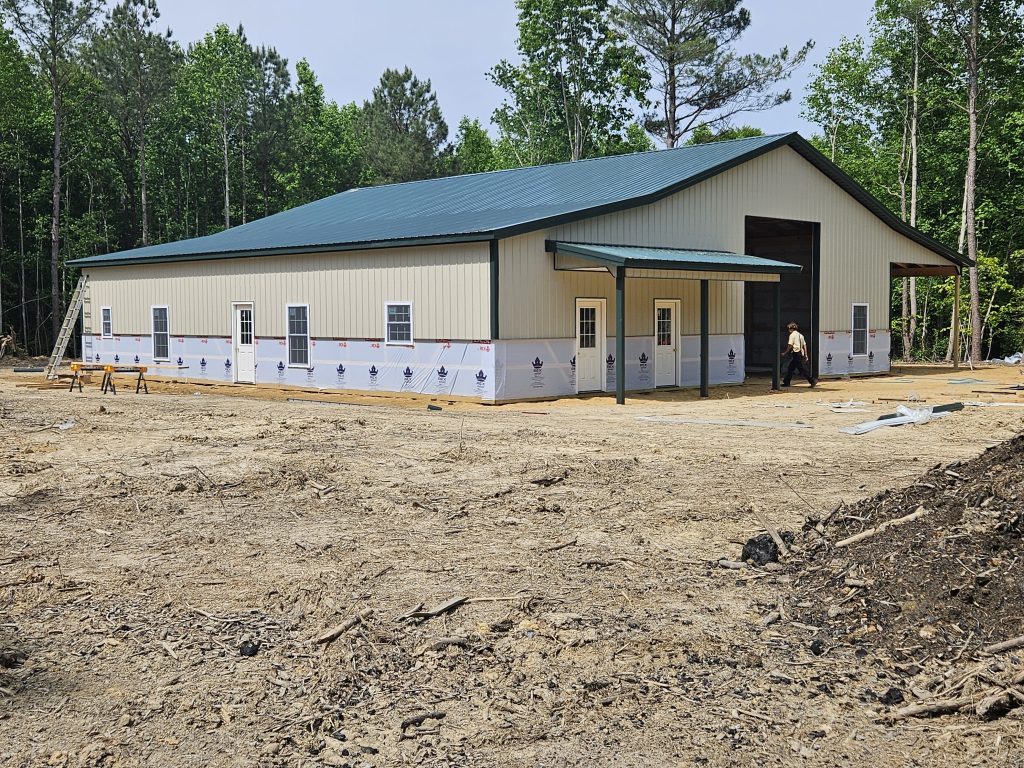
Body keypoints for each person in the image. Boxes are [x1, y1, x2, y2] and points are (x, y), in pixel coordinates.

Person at [782, 321, 816, 387]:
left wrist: (785, 353)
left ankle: (812, 380)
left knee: (802, 369)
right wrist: (806, 355)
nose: (788, 330)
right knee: (791, 368)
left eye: (789, 329)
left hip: (796, 353)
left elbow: (790, 345)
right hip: (800, 353)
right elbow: (804, 345)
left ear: (790, 329)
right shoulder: (801, 335)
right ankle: (786, 381)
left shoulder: (792, 335)